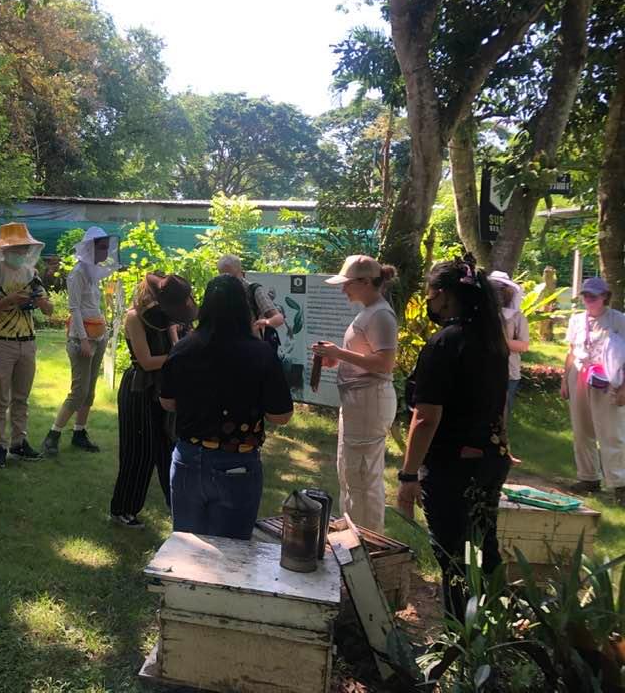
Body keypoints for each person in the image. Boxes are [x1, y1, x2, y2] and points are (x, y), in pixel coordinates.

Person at [396, 255, 510, 621]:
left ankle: (463, 636)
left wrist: (409, 475)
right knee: (483, 543)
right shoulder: (492, 341)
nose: (428, 301)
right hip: (490, 457)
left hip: (452, 465)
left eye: (430, 293)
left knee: (454, 555)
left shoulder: (445, 344)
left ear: (444, 295)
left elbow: (426, 417)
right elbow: (498, 402)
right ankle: (495, 627)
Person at [160, 275, 293, 539]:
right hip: (237, 462)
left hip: (188, 457)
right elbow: (281, 416)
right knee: (231, 558)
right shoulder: (260, 353)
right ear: (244, 309)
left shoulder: (183, 348)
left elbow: (167, 401)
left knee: (186, 551)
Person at [311, 255, 398, 534]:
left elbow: (385, 363)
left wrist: (338, 353)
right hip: (357, 401)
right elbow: (366, 356)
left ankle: (367, 542)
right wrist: (338, 359)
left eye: (347, 284)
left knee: (362, 476)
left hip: (369, 401)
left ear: (364, 282)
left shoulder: (381, 314)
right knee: (348, 470)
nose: (343, 289)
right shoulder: (369, 312)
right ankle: (351, 531)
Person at [109, 273, 196, 528]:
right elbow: (146, 361)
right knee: (138, 452)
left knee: (167, 449)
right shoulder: (135, 317)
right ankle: (123, 509)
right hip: (139, 388)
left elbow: (175, 349)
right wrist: (180, 357)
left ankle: (178, 508)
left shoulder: (167, 318)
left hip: (163, 386)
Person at [0, 223, 53, 468]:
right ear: (5, 248)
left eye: (24, 247)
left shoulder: (31, 274)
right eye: (17, 247)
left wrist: (39, 302)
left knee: (22, 397)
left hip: (27, 341)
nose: (21, 252)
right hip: (0, 341)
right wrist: (9, 300)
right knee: (0, 398)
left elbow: (49, 308)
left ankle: (19, 442)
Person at [42, 227, 119, 456]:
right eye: (102, 247)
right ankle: (52, 435)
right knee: (79, 391)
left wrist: (102, 333)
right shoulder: (77, 274)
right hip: (81, 339)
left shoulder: (93, 273)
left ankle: (79, 432)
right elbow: (74, 309)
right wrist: (84, 340)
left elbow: (93, 307)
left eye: (107, 247)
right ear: (90, 248)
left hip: (98, 336)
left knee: (90, 391)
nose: (106, 251)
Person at [561, 277, 625, 503]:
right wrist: (564, 379)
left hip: (609, 379)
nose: (588, 299)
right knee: (581, 430)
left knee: (611, 432)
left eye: (593, 296)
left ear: (605, 297)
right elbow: (571, 350)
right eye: (585, 295)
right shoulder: (576, 320)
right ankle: (588, 477)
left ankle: (619, 484)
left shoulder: (619, 320)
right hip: (579, 375)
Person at [217, 254, 285, 348]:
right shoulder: (218, 292)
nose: (228, 282)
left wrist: (264, 323)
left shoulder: (253, 290)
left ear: (241, 272)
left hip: (252, 347)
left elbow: (279, 318)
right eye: (223, 278)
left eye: (232, 277)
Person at [488, 271, 530, 423]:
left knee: (502, 414)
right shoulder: (483, 315)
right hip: (484, 369)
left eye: (500, 289)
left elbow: (524, 345)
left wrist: (498, 340)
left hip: (509, 371)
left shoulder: (517, 317)